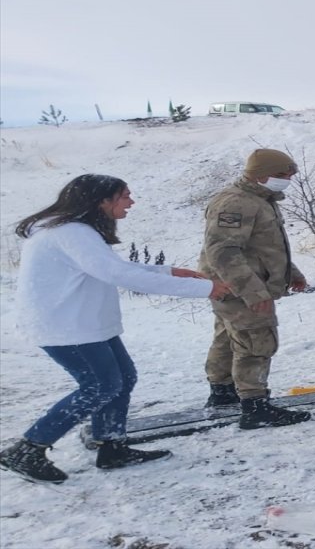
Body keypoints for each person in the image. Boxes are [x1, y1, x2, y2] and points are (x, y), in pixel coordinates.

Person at [0, 175, 231, 484]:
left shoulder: (70, 230)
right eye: (125, 196)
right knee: (100, 386)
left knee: (121, 379)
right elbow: (118, 274)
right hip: (66, 327)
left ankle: (112, 446)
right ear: (101, 201)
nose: (131, 202)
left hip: (84, 324)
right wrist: (205, 289)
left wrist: (167, 271)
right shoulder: (72, 233)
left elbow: (108, 266)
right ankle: (28, 448)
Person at [198, 148, 312, 429]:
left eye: (290, 174)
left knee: (228, 337)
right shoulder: (237, 202)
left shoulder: (260, 198)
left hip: (238, 284)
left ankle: (223, 393)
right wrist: (253, 292)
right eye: (282, 174)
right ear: (260, 175)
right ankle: (255, 407)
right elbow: (223, 252)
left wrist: (290, 273)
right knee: (256, 341)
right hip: (240, 286)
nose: (288, 179)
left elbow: (264, 247)